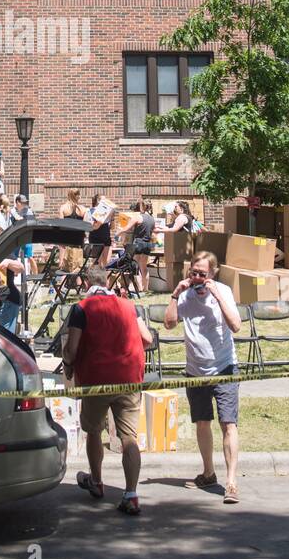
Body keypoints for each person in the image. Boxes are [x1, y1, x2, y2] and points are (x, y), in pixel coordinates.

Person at [62, 265, 153, 515]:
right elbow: (147, 339)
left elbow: (71, 349)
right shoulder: (128, 305)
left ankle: (97, 481)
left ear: (85, 283)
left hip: (96, 380)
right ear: (107, 282)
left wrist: (68, 365)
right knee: (129, 437)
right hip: (129, 378)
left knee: (93, 430)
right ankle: (131, 494)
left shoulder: (81, 308)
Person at [164, 250, 242, 504]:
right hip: (195, 370)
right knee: (202, 422)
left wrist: (217, 296)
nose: (197, 278)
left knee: (228, 423)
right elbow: (169, 323)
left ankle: (231, 482)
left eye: (202, 274)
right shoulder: (185, 295)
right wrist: (176, 294)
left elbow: (236, 326)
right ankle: (208, 472)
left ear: (213, 273)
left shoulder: (223, 291)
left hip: (224, 367)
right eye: (193, 273)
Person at [128, 199, 156, 294]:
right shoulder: (152, 219)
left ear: (143, 206)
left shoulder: (139, 217)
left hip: (138, 242)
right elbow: (153, 233)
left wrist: (120, 232)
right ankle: (146, 288)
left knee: (135, 266)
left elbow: (129, 227)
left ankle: (139, 288)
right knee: (144, 267)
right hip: (148, 243)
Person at [85, 193, 115, 266]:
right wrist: (100, 220)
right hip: (96, 238)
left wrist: (112, 217)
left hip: (106, 238)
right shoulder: (90, 211)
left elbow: (112, 227)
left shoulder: (107, 211)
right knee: (96, 262)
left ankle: (104, 277)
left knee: (106, 263)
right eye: (104, 200)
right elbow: (91, 227)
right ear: (98, 201)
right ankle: (95, 277)